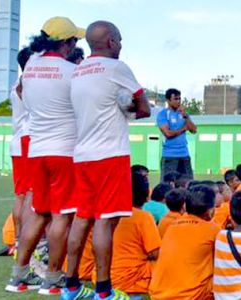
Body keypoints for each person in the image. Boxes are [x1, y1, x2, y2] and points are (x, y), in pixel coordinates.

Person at [64, 20, 152, 300]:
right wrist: (128, 109)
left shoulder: (78, 71)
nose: (122, 45)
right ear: (112, 41)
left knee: (82, 218)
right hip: (109, 155)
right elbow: (144, 107)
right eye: (121, 40)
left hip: (82, 155)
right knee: (104, 221)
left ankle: (71, 285)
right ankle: (104, 290)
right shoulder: (116, 68)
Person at [4, 17, 84, 295]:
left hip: (36, 150)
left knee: (38, 212)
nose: (76, 47)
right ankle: (53, 277)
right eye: (74, 41)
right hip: (65, 151)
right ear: (66, 43)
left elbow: (25, 95)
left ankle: (18, 276)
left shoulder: (31, 67)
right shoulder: (72, 71)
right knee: (62, 216)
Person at [149, 185, 219, 299]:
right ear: (210, 210)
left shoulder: (172, 226)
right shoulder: (213, 230)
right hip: (190, 296)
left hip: (158, 294)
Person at [109, 175, 161, 296]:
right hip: (130, 278)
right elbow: (155, 252)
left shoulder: (109, 215)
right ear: (147, 194)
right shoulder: (143, 217)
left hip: (103, 275)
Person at [9, 47, 33, 256]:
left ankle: (18, 240)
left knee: (21, 195)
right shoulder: (27, 83)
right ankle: (23, 241)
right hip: (28, 139)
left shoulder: (17, 83)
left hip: (18, 140)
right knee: (28, 194)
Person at [157, 88, 197, 182]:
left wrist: (186, 117)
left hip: (184, 154)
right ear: (168, 100)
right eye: (175, 99)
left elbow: (194, 130)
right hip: (169, 155)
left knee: (188, 184)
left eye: (179, 99)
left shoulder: (184, 114)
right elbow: (168, 133)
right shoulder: (163, 114)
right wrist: (183, 128)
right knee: (167, 186)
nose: (178, 101)